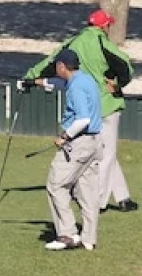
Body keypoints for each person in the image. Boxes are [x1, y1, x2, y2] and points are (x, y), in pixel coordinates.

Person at [24, 9, 136, 213]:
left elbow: (49, 63)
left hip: (85, 103)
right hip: (106, 104)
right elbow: (126, 65)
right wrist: (120, 84)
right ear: (104, 26)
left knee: (104, 151)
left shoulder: (72, 42)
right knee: (106, 154)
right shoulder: (103, 42)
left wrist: (30, 78)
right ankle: (99, 201)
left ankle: (123, 197)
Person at [43, 50, 104, 251]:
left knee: (56, 185)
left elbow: (83, 119)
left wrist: (64, 136)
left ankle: (67, 234)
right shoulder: (86, 80)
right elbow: (58, 84)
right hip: (95, 142)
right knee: (88, 192)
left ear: (62, 66)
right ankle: (89, 238)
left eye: (56, 67)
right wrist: (38, 82)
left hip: (78, 143)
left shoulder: (76, 87)